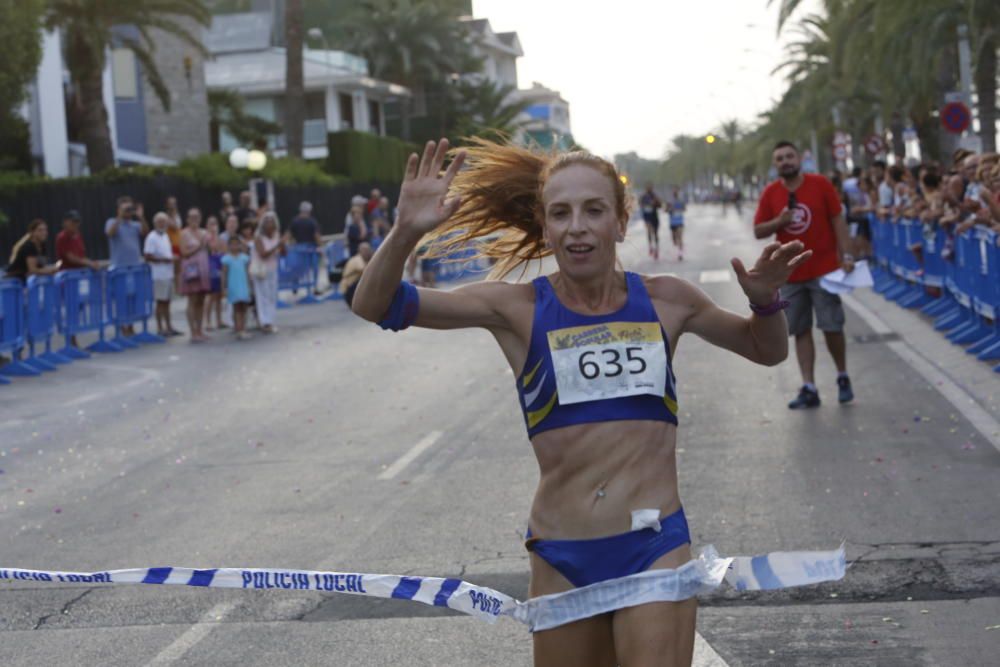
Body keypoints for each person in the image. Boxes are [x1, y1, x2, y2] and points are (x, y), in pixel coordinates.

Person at [352, 138, 810, 666]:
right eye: (561, 214)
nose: (577, 227)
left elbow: (765, 349)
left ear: (620, 221)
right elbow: (374, 304)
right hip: (562, 555)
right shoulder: (517, 308)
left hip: (653, 548)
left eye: (594, 211)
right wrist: (405, 230)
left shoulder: (668, 300)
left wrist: (764, 300)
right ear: (544, 228)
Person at [753, 141, 855, 409]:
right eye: (780, 158)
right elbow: (758, 230)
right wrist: (779, 222)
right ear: (775, 165)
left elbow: (837, 220)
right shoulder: (771, 193)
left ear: (799, 159)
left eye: (789, 156)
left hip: (824, 269)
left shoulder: (820, 184)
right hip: (790, 275)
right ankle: (809, 386)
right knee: (800, 330)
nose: (785, 161)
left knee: (832, 326)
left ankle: (842, 376)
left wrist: (847, 255)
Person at [144, 212, 180, 336]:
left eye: (164, 221)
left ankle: (169, 326)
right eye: (160, 221)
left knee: (167, 301)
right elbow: (148, 256)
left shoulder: (165, 235)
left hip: (168, 273)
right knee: (160, 301)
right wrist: (165, 260)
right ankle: (160, 328)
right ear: (155, 223)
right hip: (159, 274)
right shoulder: (151, 237)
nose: (162, 224)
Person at [179, 208, 212, 343]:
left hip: (203, 268)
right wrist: (199, 246)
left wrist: (209, 243)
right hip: (191, 270)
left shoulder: (204, 233)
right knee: (192, 300)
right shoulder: (184, 234)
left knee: (201, 300)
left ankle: (200, 330)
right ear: (187, 219)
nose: (194, 220)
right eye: (192, 217)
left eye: (197, 217)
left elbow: (209, 251)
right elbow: (184, 253)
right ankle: (193, 332)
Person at [250, 211, 284, 334]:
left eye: (272, 221)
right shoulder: (258, 237)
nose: (270, 224)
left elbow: (282, 252)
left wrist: (283, 244)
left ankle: (270, 320)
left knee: (272, 295)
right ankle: (265, 322)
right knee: (262, 296)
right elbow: (263, 254)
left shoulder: (276, 235)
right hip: (261, 270)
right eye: (267, 221)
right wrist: (277, 245)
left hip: (272, 269)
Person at [221, 235, 252, 340]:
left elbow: (248, 273)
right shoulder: (226, 259)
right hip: (233, 286)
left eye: (236, 244)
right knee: (236, 307)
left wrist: (250, 285)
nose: (234, 246)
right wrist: (223, 287)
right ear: (228, 246)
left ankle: (243, 327)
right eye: (232, 244)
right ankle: (238, 329)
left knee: (244, 308)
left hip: (243, 286)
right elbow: (224, 274)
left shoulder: (244, 258)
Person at [105, 196, 147, 269]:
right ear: (118, 210)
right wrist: (120, 216)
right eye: (126, 209)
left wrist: (141, 217)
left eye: (130, 209)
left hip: (135, 265)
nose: (128, 211)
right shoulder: (111, 222)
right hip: (118, 266)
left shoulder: (136, 224)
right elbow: (110, 233)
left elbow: (145, 232)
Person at [203, 216, 226, 331]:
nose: (213, 226)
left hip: (219, 268)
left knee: (219, 296)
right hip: (209, 269)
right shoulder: (205, 238)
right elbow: (209, 250)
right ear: (207, 226)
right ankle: (207, 321)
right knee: (210, 297)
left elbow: (223, 251)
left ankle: (219, 320)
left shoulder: (220, 238)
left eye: (215, 223)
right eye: (211, 224)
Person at [340, 241, 373, 307]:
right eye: (367, 250)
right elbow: (366, 271)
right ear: (361, 250)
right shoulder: (357, 259)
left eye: (369, 250)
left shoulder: (363, 260)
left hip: (352, 291)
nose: (369, 252)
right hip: (350, 291)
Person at [638, 184, 662, 259]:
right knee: (649, 230)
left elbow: (660, 205)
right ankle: (651, 247)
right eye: (647, 188)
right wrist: (644, 204)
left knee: (655, 233)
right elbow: (640, 204)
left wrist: (655, 203)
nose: (649, 189)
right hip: (647, 217)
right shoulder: (643, 196)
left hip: (654, 217)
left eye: (650, 188)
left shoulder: (654, 196)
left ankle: (656, 248)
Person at [668, 187, 687, 261]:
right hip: (673, 222)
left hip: (680, 222)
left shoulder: (681, 201)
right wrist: (670, 209)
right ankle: (678, 247)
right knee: (674, 240)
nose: (675, 193)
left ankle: (680, 253)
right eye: (674, 191)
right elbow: (666, 210)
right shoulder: (670, 201)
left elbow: (685, 209)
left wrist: (680, 209)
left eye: (676, 191)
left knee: (680, 237)